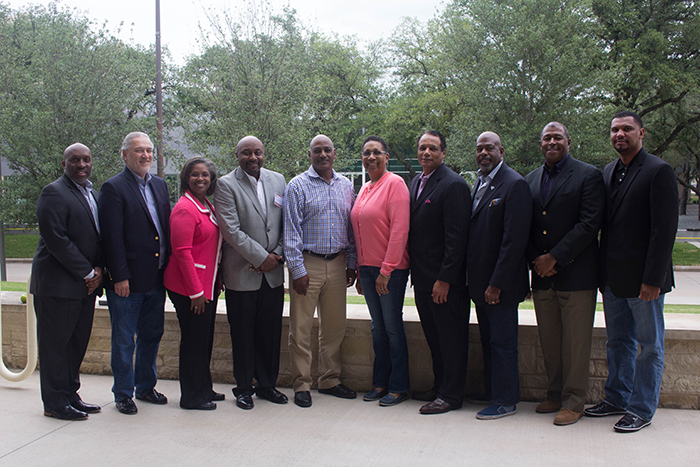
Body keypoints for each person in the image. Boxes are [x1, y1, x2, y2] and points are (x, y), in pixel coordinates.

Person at [584, 111, 678, 432]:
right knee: (618, 342)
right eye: (614, 129)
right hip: (613, 279)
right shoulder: (608, 171)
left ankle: (642, 408)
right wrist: (601, 276)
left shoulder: (658, 171)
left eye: (626, 128)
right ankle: (617, 398)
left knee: (649, 346)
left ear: (641, 132)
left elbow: (663, 232)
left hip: (644, 282)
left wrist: (653, 279)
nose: (619, 134)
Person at [524, 122, 605, 426]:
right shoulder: (530, 180)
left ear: (569, 141)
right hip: (542, 277)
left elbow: (589, 224)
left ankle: (574, 401)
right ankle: (555, 393)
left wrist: (555, 258)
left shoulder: (588, 175)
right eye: (547, 138)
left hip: (576, 275)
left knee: (576, 343)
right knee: (551, 341)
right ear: (540, 143)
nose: (552, 142)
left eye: (558, 137)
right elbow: (526, 227)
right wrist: (537, 259)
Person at [99, 132, 171, 415]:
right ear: (125, 154)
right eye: (139, 150)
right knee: (124, 340)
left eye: (149, 151)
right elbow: (111, 237)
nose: (145, 156)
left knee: (152, 335)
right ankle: (123, 393)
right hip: (127, 282)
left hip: (157, 277)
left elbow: (163, 229)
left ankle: (145, 387)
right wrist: (119, 276)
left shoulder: (160, 186)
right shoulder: (113, 188)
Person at [283, 134, 358, 408]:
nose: (323, 154)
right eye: (317, 150)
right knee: (300, 328)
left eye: (327, 150)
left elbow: (350, 230)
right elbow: (290, 232)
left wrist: (351, 263)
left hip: (338, 263)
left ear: (334, 153)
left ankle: (330, 380)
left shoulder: (346, 186)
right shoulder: (297, 186)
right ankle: (302, 384)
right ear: (310, 154)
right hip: (308, 263)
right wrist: (297, 269)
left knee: (334, 327)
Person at [31, 143, 103, 421]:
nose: (82, 165)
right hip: (57, 287)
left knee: (76, 344)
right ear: (64, 164)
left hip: (85, 287)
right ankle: (54, 402)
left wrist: (98, 268)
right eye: (75, 160)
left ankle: (71, 394)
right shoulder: (53, 192)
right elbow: (57, 240)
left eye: (86, 159)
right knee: (55, 347)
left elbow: (97, 236)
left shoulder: (92, 194)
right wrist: (88, 273)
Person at [215, 136, 288, 410]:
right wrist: (261, 257)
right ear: (237, 156)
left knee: (270, 334)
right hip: (242, 273)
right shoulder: (225, 185)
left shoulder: (278, 180)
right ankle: (244, 388)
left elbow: (285, 223)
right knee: (243, 334)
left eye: (258, 152)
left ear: (263, 153)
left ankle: (267, 386)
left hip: (272, 274)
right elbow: (231, 230)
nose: (253, 157)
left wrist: (275, 256)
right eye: (247, 153)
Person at [468, 131, 532, 420]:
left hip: (500, 286)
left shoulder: (514, 184)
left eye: (489, 148)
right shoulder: (479, 183)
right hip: (480, 283)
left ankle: (506, 400)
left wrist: (496, 284)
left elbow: (513, 241)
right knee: (488, 340)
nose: (484, 152)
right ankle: (493, 391)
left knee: (503, 343)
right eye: (480, 148)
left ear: (501, 150)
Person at [408, 130, 471, 415]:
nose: (426, 153)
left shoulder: (453, 185)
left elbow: (457, 238)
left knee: (451, 339)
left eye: (433, 148)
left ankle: (452, 394)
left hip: (444, 283)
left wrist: (445, 279)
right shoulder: (416, 183)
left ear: (443, 153)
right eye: (422, 148)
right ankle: (439, 385)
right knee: (434, 338)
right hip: (422, 280)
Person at [351, 136, 411, 407]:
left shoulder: (395, 184)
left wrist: (385, 271)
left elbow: (399, 231)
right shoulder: (365, 188)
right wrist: (363, 270)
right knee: (377, 329)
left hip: (391, 269)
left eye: (377, 153)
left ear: (387, 157)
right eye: (366, 153)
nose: (371, 157)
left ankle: (399, 386)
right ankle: (380, 382)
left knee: (392, 328)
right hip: (368, 269)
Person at [164, 157, 223, 410]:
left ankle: (204, 387)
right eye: (195, 175)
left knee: (204, 339)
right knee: (193, 342)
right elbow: (182, 252)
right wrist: (195, 292)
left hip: (206, 285)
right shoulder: (185, 208)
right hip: (190, 288)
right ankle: (191, 396)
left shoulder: (205, 204)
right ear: (186, 178)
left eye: (205, 175)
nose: (201, 179)